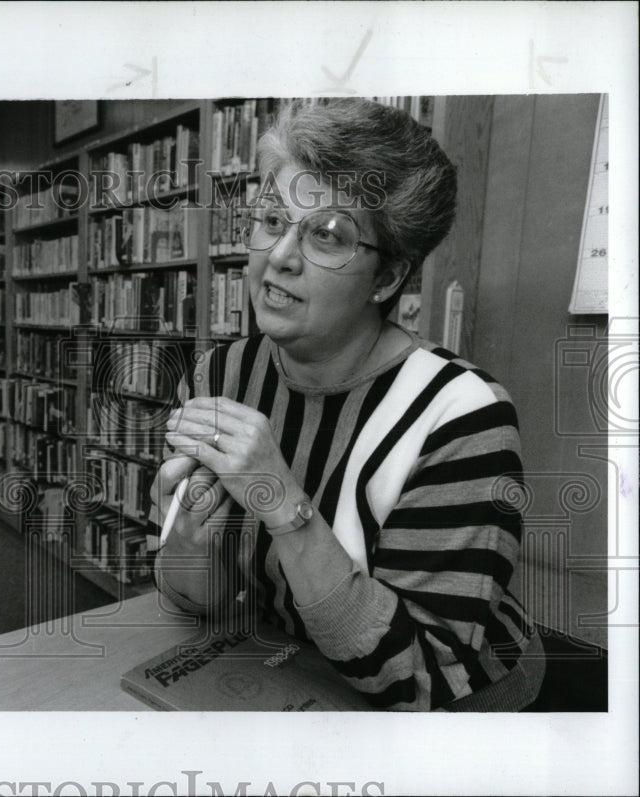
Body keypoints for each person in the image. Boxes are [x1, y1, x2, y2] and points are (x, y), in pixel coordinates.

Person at [150, 98, 544, 711]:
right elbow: (195, 601)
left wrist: (282, 504)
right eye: (273, 217)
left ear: (387, 279)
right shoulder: (219, 375)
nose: (280, 255)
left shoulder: (463, 416)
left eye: (328, 236)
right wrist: (187, 546)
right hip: (291, 666)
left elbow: (419, 680)